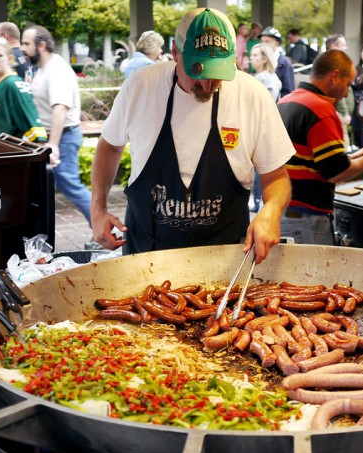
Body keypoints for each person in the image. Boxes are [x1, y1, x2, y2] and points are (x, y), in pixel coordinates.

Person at [89, 7, 294, 264]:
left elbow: (276, 176)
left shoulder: (253, 95)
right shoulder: (141, 87)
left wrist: (271, 211)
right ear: (176, 53)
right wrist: (98, 209)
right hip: (146, 256)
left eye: (218, 73)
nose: (207, 85)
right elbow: (109, 146)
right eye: (198, 71)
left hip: (225, 259)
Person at [277, 49, 363, 245]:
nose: (347, 92)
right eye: (347, 84)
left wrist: (357, 156)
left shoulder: (286, 101)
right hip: (308, 218)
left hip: (280, 211)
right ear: (335, 76)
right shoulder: (320, 109)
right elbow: (335, 171)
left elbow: (315, 161)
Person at [21, 26, 92, 229]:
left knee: (71, 186)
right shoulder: (43, 68)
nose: (22, 48)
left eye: (26, 43)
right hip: (52, 138)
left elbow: (60, 107)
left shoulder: (56, 70)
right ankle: (36, 236)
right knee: (43, 189)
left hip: (63, 137)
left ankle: (104, 230)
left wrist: (53, 144)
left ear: (41, 45)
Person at [249, 42, 282, 213]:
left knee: (259, 170)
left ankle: (259, 202)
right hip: (257, 130)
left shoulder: (267, 79)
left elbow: (265, 106)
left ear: (264, 58)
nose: (250, 58)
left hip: (260, 131)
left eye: (255, 55)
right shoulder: (262, 77)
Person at [326, 33, 355, 149]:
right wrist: (344, 113)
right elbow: (337, 89)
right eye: (343, 45)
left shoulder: (332, 62)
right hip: (338, 115)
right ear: (334, 46)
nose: (346, 48)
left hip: (338, 114)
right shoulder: (333, 63)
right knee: (342, 147)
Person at [259, 26, 295, 98]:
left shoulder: (285, 63)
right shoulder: (259, 60)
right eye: (262, 41)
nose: (263, 45)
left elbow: (288, 92)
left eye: (267, 41)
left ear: (276, 43)